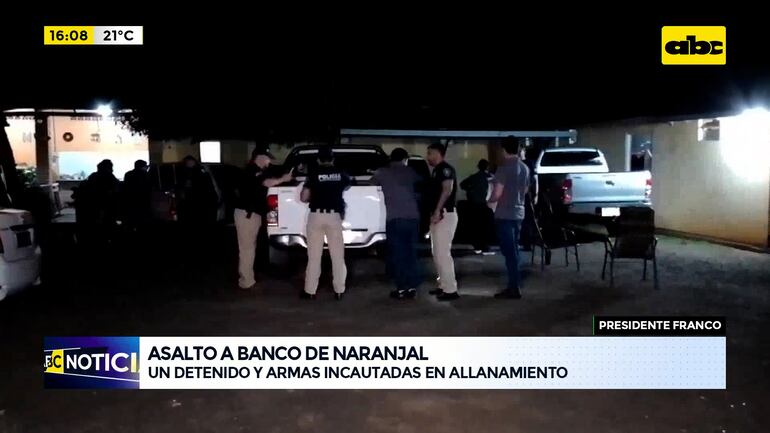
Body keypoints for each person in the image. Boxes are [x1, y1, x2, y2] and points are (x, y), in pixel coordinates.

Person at [234, 147, 294, 290]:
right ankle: (246, 281)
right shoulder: (251, 170)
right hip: (247, 215)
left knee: (250, 247)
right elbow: (267, 183)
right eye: (267, 158)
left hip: (252, 214)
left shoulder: (258, 170)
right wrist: (283, 179)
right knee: (247, 248)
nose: (269, 162)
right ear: (260, 157)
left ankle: (249, 277)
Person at [300, 146, 351, 300]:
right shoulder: (341, 174)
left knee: (314, 256)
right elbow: (348, 185)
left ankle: (310, 291)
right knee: (337, 255)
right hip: (334, 217)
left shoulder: (313, 174)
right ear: (332, 159)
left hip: (316, 216)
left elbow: (304, 197)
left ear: (318, 160)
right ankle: (339, 290)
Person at [371, 148, 422, 299]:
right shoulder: (411, 172)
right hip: (412, 218)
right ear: (405, 159)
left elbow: (370, 184)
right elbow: (420, 187)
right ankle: (412, 287)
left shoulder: (382, 173)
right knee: (411, 253)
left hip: (394, 219)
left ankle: (401, 289)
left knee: (398, 254)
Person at [488, 137, 530, 299]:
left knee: (509, 252)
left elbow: (497, 192)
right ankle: (515, 284)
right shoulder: (524, 168)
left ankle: (514, 287)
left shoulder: (504, 168)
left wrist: (489, 201)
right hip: (519, 212)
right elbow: (525, 190)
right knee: (514, 249)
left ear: (503, 150)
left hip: (504, 214)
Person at [425, 143, 460, 301]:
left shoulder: (445, 169)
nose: (428, 157)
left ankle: (451, 290)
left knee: (443, 253)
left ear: (438, 153)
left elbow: (447, 189)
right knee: (437, 252)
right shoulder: (436, 170)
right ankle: (443, 285)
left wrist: (438, 210)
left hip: (445, 214)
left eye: (430, 153)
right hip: (438, 214)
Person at [460, 159, 495, 254]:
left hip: (474, 204)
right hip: (486, 204)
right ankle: (485, 246)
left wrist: (470, 190)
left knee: (476, 225)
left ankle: (477, 246)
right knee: (486, 226)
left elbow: (462, 185)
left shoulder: (473, 177)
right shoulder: (490, 177)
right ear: (487, 167)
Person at [122, 159, 151, 234]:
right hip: (142, 202)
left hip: (130, 202)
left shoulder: (128, 174)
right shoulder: (145, 174)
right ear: (143, 167)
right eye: (146, 167)